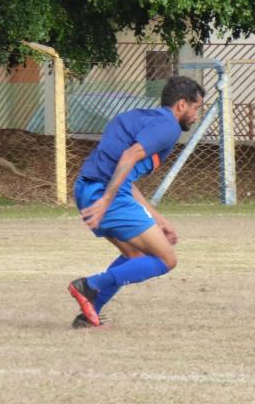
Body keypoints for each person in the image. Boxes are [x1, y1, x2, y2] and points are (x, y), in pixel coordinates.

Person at [68, 75, 205, 328]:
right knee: (166, 260)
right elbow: (130, 156)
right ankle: (89, 285)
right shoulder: (168, 126)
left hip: (88, 189)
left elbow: (125, 176)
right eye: (197, 108)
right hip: (104, 193)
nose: (197, 116)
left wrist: (158, 219)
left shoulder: (142, 118)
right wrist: (106, 200)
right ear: (182, 104)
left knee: (136, 256)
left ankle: (89, 313)